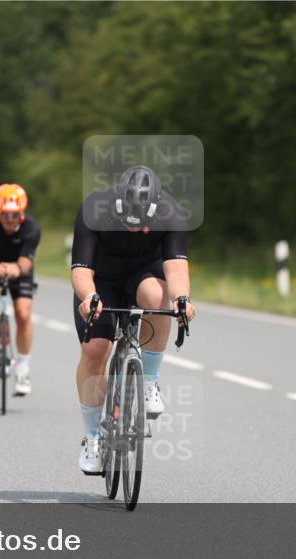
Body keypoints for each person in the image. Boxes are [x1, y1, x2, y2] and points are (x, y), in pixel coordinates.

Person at [71, 165, 196, 474]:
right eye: (127, 222)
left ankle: (150, 381)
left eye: (140, 225)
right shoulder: (94, 209)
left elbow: (176, 270)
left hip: (143, 274)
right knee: (96, 350)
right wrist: (89, 297)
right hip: (100, 281)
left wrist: (182, 300)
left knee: (158, 297)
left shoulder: (170, 212)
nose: (133, 229)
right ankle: (94, 437)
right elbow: (81, 272)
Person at [0, 183, 41, 396]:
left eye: (15, 215)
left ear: (21, 213)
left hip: (19, 270)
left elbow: (26, 263)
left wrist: (16, 268)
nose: (10, 219)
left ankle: (23, 369)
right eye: (6, 214)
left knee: (23, 314)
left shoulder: (31, 228)